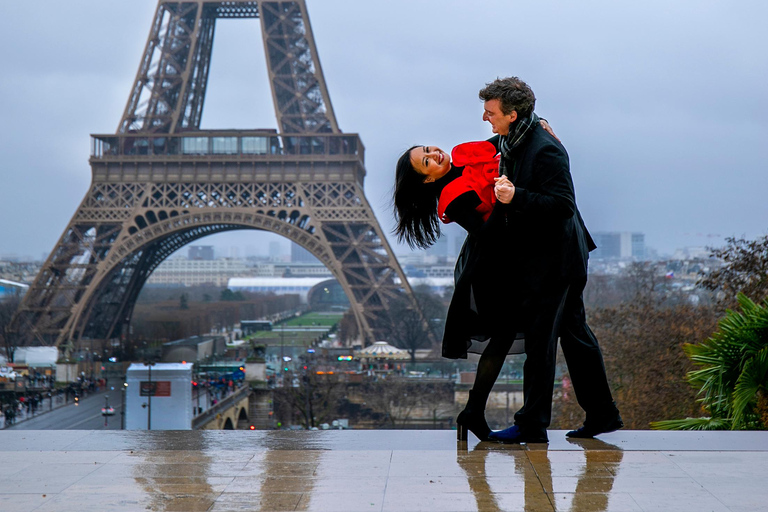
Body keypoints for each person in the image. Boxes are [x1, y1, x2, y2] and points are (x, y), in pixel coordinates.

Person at [478, 76, 622, 443]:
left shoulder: (545, 149)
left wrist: (517, 197)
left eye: (490, 111)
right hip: (549, 258)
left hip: (555, 262)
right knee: (575, 337)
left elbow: (562, 205)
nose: (484, 116)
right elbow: (474, 155)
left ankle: (532, 425)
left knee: (542, 342)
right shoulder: (511, 140)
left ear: (512, 114)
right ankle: (603, 414)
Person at [393, 119, 555, 441]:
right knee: (507, 334)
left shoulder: (464, 155)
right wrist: (504, 198)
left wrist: (535, 124)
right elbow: (486, 235)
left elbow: (502, 142)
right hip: (491, 270)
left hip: (507, 262)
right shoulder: (452, 195)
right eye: (427, 161)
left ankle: (473, 412)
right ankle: (477, 411)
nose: (434, 154)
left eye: (428, 149)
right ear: (427, 178)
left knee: (506, 336)